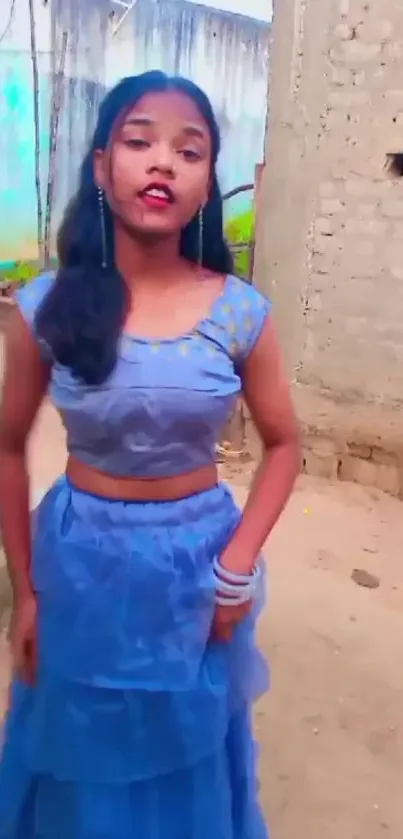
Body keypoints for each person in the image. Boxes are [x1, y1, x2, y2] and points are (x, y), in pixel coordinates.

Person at [0, 70, 299, 838]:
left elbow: (284, 444)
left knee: (186, 753)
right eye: (139, 141)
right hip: (78, 562)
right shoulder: (46, 305)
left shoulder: (240, 312)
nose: (162, 162)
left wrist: (236, 566)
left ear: (206, 185)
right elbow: (6, 445)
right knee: (81, 756)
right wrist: (26, 591)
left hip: (195, 570)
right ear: (102, 166)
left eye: (188, 150)